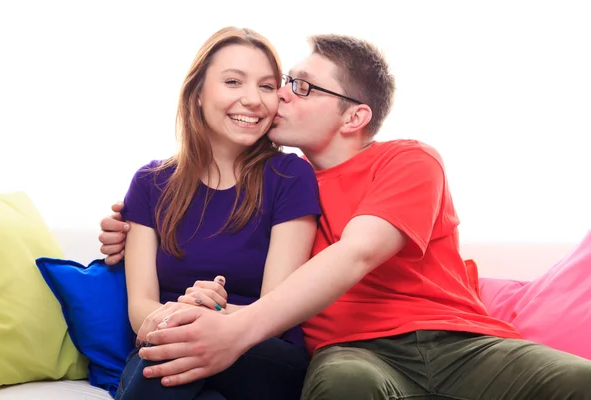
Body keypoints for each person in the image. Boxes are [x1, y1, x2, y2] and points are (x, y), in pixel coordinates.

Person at [101, 33, 591, 399]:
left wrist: (232, 329)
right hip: (351, 352)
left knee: (577, 378)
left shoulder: (406, 159)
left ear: (354, 117)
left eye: (298, 86)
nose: (278, 96)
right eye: (284, 83)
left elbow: (358, 252)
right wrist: (125, 235)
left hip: (456, 342)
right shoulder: (289, 184)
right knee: (342, 383)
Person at [112, 26, 321, 400]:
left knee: (176, 355)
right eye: (233, 82)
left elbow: (276, 309)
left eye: (267, 86)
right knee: (180, 369)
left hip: (261, 350)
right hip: (165, 343)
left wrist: (201, 318)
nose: (253, 100)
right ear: (197, 94)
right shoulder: (150, 183)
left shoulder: (290, 176)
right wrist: (183, 312)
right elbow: (141, 307)